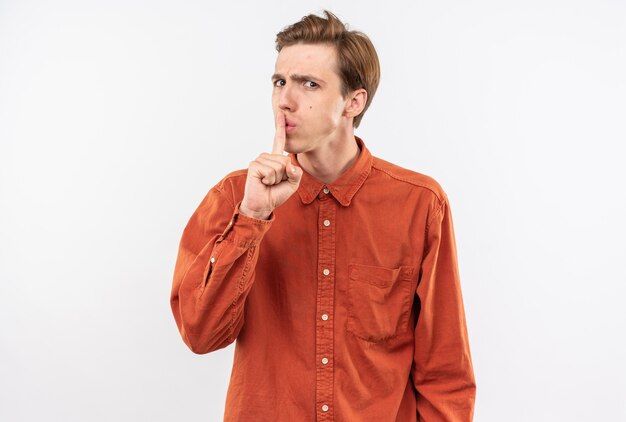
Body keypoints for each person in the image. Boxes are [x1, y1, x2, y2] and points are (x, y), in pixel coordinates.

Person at [170, 10, 476, 421]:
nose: (285, 100)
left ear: (354, 101)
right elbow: (200, 334)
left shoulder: (419, 204)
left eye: (308, 84)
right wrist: (252, 217)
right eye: (280, 82)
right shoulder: (236, 197)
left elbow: (445, 372)